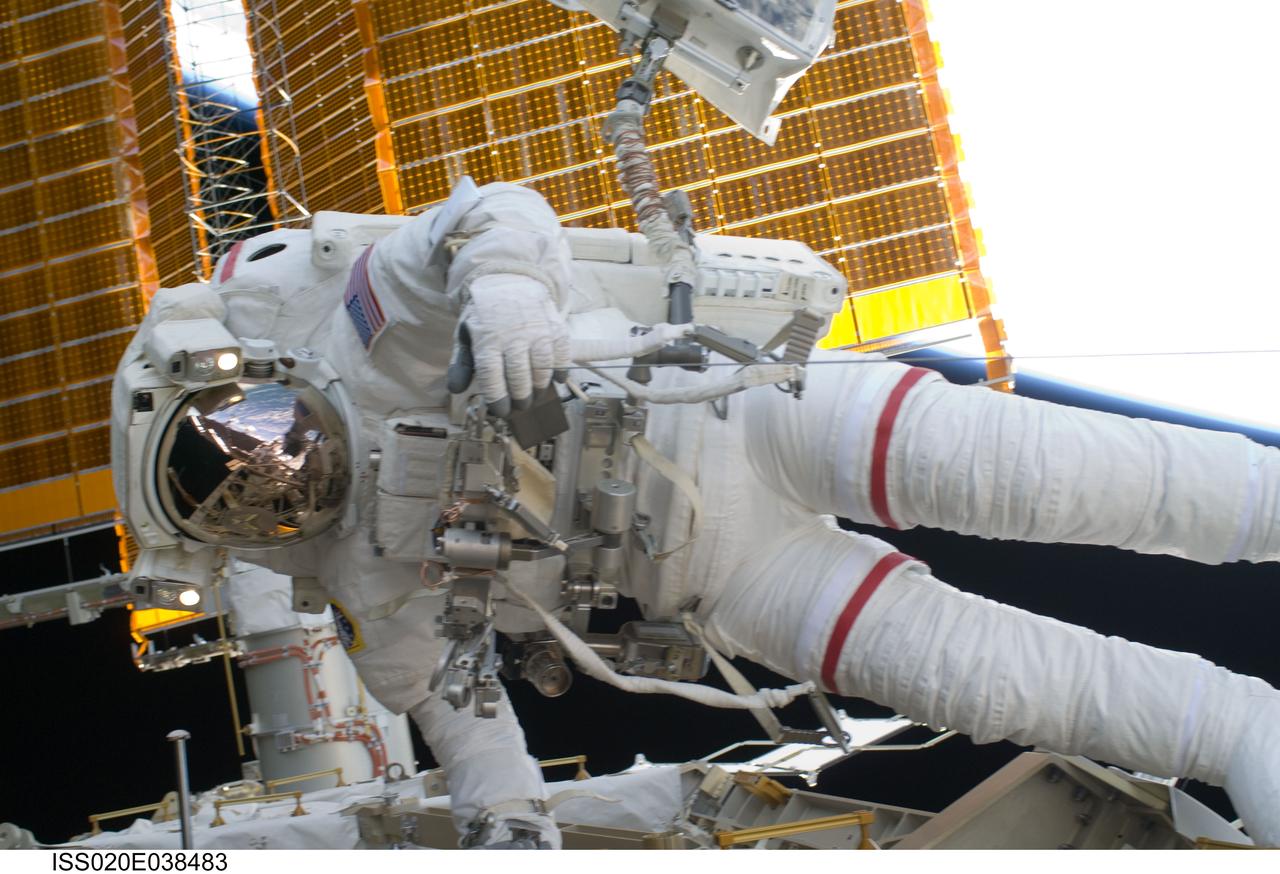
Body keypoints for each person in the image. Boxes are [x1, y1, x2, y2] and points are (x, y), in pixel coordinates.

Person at [113, 180, 1280, 848]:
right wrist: (507, 823)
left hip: (743, 412)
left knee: (1094, 480)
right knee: (1018, 687)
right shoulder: (363, 584)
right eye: (251, 496)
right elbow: (459, 712)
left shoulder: (360, 337)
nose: (272, 470)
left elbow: (482, 216)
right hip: (735, 585)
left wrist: (510, 287)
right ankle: (1239, 735)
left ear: (247, 381)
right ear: (245, 539)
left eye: (254, 437)